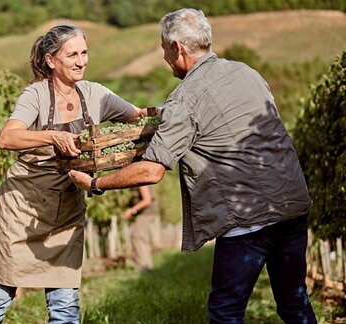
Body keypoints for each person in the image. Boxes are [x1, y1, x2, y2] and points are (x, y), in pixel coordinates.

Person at [68, 8, 317, 323]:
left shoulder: (184, 100)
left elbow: (152, 170)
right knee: (294, 302)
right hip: (291, 204)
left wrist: (94, 184)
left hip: (248, 219)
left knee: (226, 312)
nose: (164, 58)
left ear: (178, 49)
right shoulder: (245, 72)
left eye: (164, 49)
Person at [0, 23, 145, 323]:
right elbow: (8, 137)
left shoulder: (96, 94)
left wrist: (172, 113)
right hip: (22, 210)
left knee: (65, 303)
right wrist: (52, 136)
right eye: (72, 55)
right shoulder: (36, 95)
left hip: (66, 210)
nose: (81, 61)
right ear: (51, 60)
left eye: (84, 53)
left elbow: (137, 115)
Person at [122, 185, 155, 273]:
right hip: (145, 213)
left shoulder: (140, 179)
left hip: (145, 213)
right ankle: (148, 266)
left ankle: (143, 266)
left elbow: (147, 200)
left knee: (137, 236)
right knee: (142, 238)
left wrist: (132, 210)